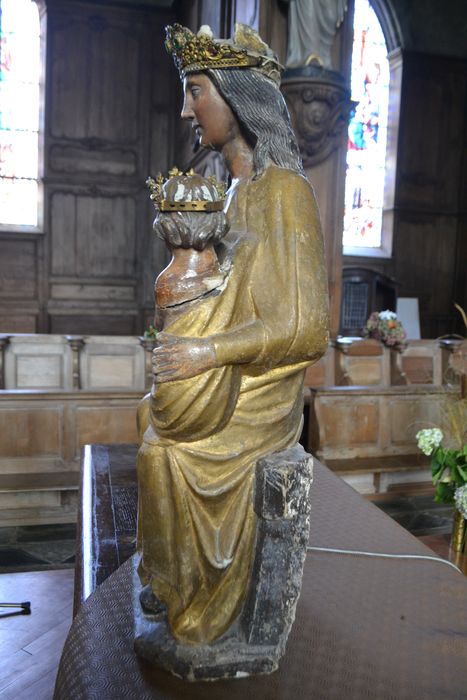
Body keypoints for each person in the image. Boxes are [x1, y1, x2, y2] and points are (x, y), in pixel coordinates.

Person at [136, 22, 329, 646]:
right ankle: (172, 581)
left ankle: (204, 605)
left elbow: (305, 329)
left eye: (196, 92)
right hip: (232, 370)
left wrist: (205, 352)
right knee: (151, 418)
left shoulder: (286, 193)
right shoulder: (233, 192)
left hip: (263, 389)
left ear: (237, 96)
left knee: (169, 451)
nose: (185, 108)